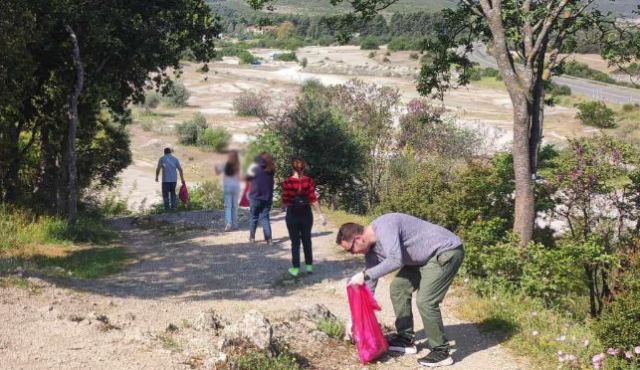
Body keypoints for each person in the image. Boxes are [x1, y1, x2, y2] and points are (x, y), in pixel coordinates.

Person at [336, 213, 464, 368]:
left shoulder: (385, 225)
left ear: (358, 239)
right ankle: (406, 339)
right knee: (398, 288)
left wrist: (364, 274)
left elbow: (395, 260)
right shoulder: (371, 251)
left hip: (445, 251)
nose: (353, 253)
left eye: (351, 249)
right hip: (421, 260)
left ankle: (441, 351)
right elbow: (370, 283)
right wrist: (355, 319)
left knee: (425, 301)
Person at [281, 158, 327, 277]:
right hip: (306, 213)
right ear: (304, 168)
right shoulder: (309, 181)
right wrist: (320, 214)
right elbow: (313, 198)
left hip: (292, 213)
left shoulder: (288, 182)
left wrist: (284, 206)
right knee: (307, 240)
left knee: (295, 242)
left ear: (292, 168)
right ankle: (309, 266)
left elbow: (285, 200)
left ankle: (296, 269)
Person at [246, 152, 275, 244]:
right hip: (267, 198)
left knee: (254, 217)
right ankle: (269, 239)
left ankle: (252, 238)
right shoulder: (271, 170)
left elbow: (247, 178)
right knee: (265, 218)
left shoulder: (255, 169)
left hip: (255, 197)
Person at [215, 150, 241, 231]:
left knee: (228, 206)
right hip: (236, 187)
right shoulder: (238, 165)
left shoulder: (225, 165)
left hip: (227, 187)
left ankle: (228, 223)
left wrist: (216, 166)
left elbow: (217, 172)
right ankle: (235, 225)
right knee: (235, 207)